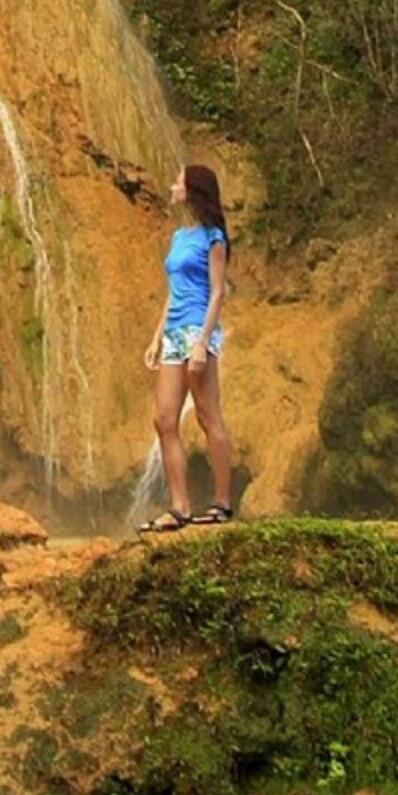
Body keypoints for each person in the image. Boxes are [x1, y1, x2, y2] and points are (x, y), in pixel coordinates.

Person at [139, 164, 238, 532]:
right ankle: (180, 508)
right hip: (173, 333)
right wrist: (156, 337)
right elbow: (172, 292)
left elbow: (216, 293)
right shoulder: (180, 236)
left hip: (198, 331)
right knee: (164, 419)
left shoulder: (214, 238)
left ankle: (222, 504)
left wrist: (202, 344)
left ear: (193, 189)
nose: (172, 185)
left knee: (207, 416)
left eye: (178, 180)